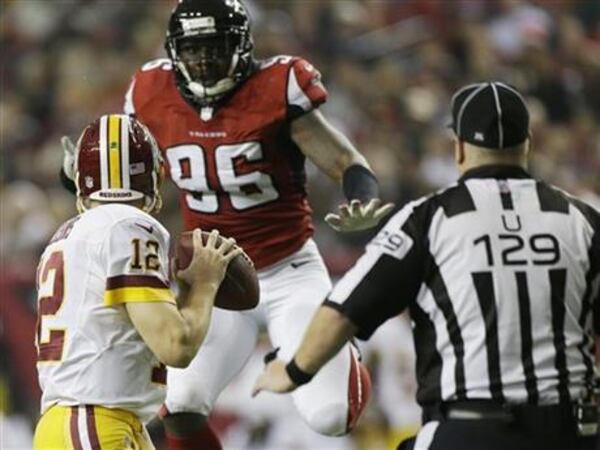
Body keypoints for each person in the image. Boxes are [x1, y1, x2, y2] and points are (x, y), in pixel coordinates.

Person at [58, 1, 393, 448]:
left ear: (242, 47)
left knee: (331, 417)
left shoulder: (277, 87)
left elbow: (346, 162)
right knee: (181, 405)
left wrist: (362, 197)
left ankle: (338, 353)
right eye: (193, 51)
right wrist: (76, 172)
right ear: (174, 52)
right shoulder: (151, 90)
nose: (202, 61)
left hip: (287, 269)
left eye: (214, 49)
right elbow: (128, 169)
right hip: (213, 277)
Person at [253, 82, 600, 450]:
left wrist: (292, 371)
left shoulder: (429, 219)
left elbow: (343, 310)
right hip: (571, 431)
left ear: (460, 146)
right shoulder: (582, 220)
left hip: (471, 427)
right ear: (527, 142)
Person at [35, 114, 241, 449]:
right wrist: (203, 283)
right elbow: (177, 345)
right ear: (152, 176)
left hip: (93, 422)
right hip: (94, 423)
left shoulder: (68, 235)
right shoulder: (129, 227)